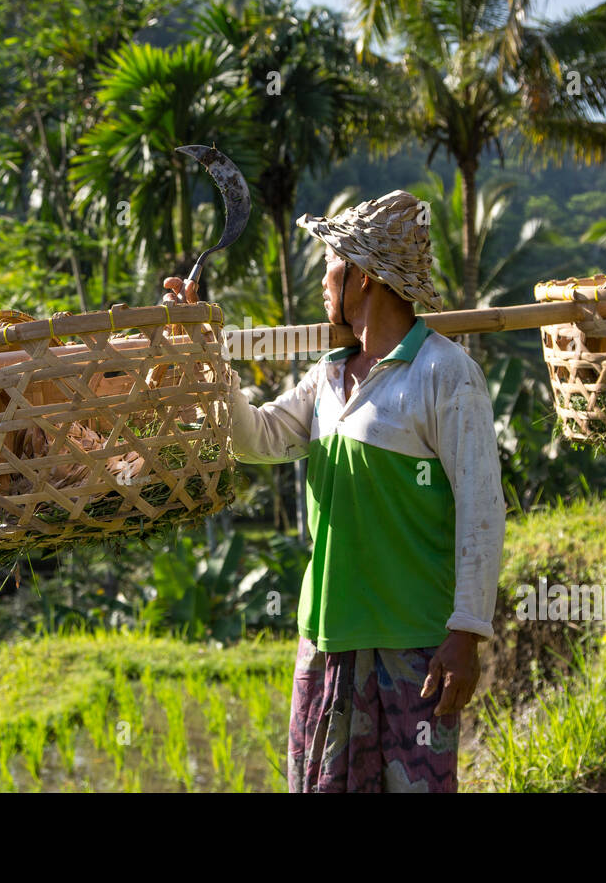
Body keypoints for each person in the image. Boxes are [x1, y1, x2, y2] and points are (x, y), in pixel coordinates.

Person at [164, 189, 506, 793]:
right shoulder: (327, 376)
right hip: (326, 635)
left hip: (416, 646)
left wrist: (467, 633)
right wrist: (205, 350)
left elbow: (482, 509)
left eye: (330, 263)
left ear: (365, 276)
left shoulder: (445, 374)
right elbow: (258, 437)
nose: (322, 281)